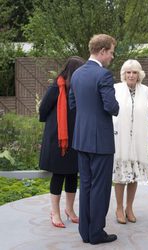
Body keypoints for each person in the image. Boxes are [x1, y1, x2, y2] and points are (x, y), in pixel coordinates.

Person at [69, 34, 119, 245]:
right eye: (111, 52)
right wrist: (116, 106)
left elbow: (72, 103)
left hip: (81, 139)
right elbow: (111, 107)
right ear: (102, 51)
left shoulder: (77, 74)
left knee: (87, 185)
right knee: (100, 187)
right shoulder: (104, 75)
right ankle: (96, 233)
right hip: (100, 141)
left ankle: (85, 232)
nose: (112, 57)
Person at [39, 56, 84, 228]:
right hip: (57, 139)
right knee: (58, 175)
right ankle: (55, 212)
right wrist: (54, 124)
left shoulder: (79, 88)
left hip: (75, 137)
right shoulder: (55, 88)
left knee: (73, 173)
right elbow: (43, 110)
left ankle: (70, 210)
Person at [113, 59, 148, 224]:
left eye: (134, 72)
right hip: (120, 137)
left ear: (139, 74)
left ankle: (129, 207)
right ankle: (119, 207)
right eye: (128, 72)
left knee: (134, 174)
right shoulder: (116, 89)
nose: (131, 75)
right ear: (123, 74)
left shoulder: (146, 90)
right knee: (121, 174)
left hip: (139, 138)